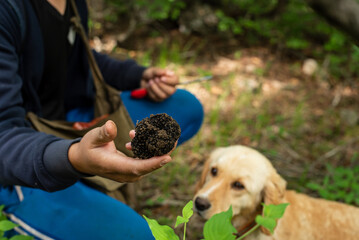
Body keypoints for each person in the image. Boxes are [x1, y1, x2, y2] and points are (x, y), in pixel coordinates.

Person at [0, 0, 204, 239]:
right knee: (139, 236)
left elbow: (76, 56)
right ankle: (58, 191)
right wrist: (74, 158)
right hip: (17, 159)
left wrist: (136, 76)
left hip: (67, 123)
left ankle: (85, 179)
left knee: (184, 107)